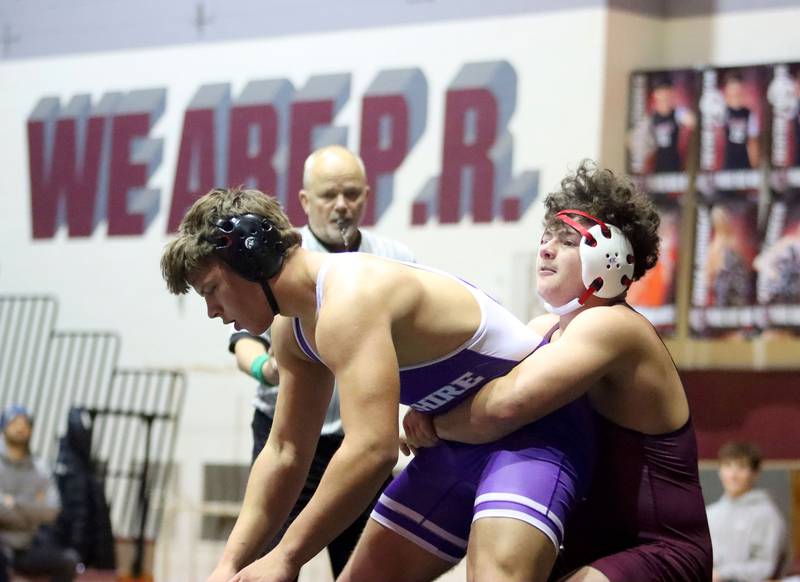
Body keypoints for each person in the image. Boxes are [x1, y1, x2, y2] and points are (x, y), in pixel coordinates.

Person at [161, 186, 596, 582]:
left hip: (536, 434)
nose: (212, 311)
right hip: (458, 444)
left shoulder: (350, 295)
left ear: (251, 257)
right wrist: (229, 564)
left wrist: (287, 556)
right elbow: (285, 451)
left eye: (211, 289)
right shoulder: (292, 330)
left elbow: (372, 449)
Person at [404, 161, 713, 581]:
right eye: (546, 237)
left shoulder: (614, 326)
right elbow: (476, 389)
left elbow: (504, 406)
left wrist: (434, 424)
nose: (546, 249)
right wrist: (429, 409)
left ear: (611, 258)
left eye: (567, 241)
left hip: (660, 549)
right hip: (586, 545)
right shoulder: (546, 330)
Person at [228, 145, 414, 579]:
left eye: (352, 194)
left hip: (357, 439)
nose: (341, 205)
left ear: (367, 195)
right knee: (266, 561)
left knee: (367, 567)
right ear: (305, 201)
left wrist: (419, 410)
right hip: (286, 434)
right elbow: (243, 340)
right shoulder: (275, 258)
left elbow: (418, 346)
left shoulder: (394, 260)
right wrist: (266, 370)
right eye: (329, 195)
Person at [0, 405, 80, 582]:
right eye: (15, 422)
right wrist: (32, 507)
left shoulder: (40, 468)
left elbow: (52, 510)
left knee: (69, 560)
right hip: (1, 543)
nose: (21, 428)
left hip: (26, 545)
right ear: (4, 427)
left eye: (25, 423)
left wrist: (13, 502)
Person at [706, 441, 788, 582]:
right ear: (719, 471)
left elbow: (765, 567)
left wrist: (722, 574)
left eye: (741, 467)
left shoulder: (766, 515)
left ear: (755, 473)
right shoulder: (710, 513)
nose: (733, 475)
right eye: (727, 466)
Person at [721, 72, 760, 170]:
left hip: (744, 164)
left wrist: (755, 167)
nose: (735, 94)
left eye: (738, 91)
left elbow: (753, 142)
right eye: (732, 90)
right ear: (727, 91)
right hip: (727, 164)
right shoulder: (721, 112)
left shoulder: (749, 114)